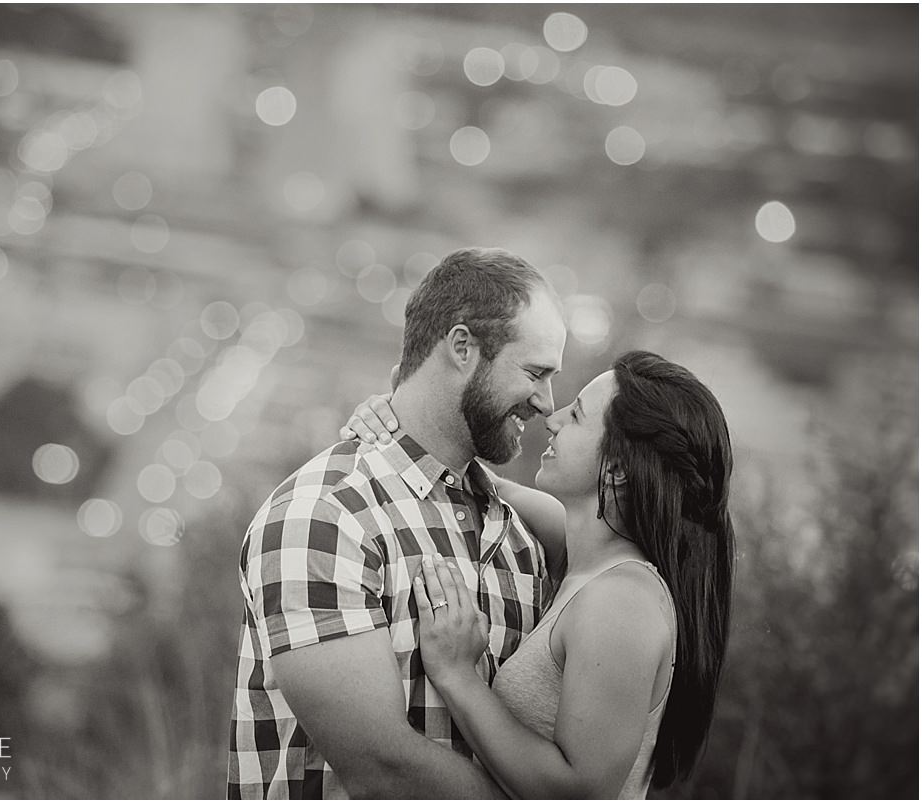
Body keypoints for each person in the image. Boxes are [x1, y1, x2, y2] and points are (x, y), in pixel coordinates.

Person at [227, 247, 567, 798]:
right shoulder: (326, 516)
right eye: (534, 372)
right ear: (462, 347)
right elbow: (380, 768)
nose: (547, 403)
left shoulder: (520, 536)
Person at [342, 350, 735, 798]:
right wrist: (394, 420)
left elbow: (576, 791)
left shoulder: (621, 603)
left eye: (578, 415)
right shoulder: (584, 554)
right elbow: (462, 472)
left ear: (620, 468)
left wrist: (457, 675)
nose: (553, 417)